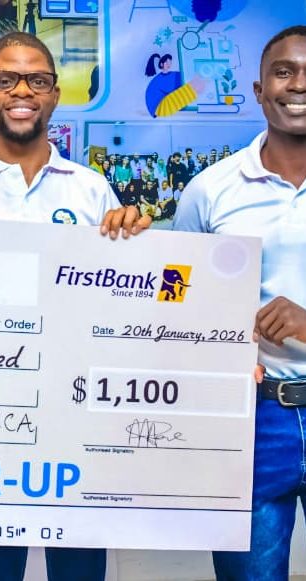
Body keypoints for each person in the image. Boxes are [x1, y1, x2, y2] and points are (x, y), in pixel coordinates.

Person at [0, 31, 150, 581]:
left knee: (79, 563)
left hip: (75, 405)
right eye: (6, 79)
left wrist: (134, 239)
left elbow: (120, 297)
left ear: (55, 95)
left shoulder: (91, 190)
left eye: (37, 80)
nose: (22, 91)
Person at [173, 25, 306, 581]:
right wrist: (216, 352)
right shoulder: (211, 189)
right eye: (284, 72)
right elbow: (174, 299)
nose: (298, 84)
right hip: (251, 418)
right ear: (258, 90)